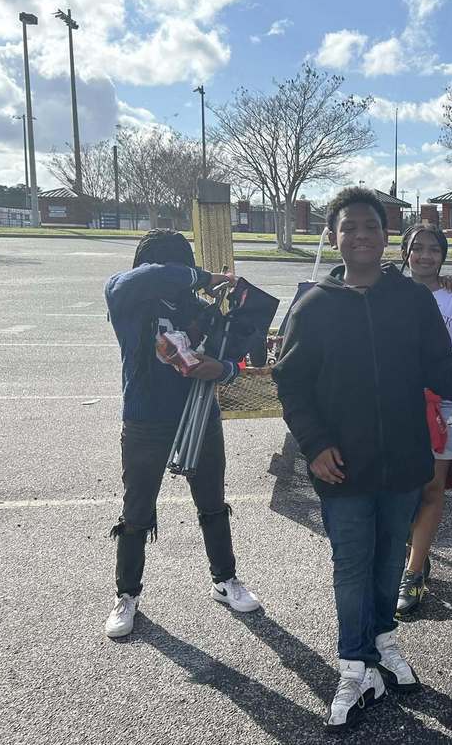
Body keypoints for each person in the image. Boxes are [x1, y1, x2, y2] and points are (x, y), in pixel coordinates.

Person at [272, 188, 452, 733]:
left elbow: (434, 362)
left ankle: (382, 643)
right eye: (349, 227)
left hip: (401, 460)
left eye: (371, 225)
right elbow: (291, 384)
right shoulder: (314, 306)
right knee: (351, 566)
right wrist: (315, 444)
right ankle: (354, 666)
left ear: (385, 233)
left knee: (390, 558)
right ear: (334, 236)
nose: (361, 235)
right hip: (341, 466)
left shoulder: (410, 299)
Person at [103, 229, 261, 640]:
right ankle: (126, 594)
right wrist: (201, 275)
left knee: (211, 503)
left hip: (198, 414)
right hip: (145, 420)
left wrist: (223, 370)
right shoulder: (126, 300)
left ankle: (225, 579)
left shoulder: (200, 309)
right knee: (137, 510)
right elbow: (138, 278)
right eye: (167, 265)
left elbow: (231, 360)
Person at [396, 223, 452, 615]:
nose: (426, 256)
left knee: (432, 489)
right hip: (394, 405)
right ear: (405, 252)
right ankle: (416, 550)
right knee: (401, 490)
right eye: (418, 248)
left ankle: (413, 574)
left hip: (444, 405)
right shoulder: (386, 292)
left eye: (435, 249)